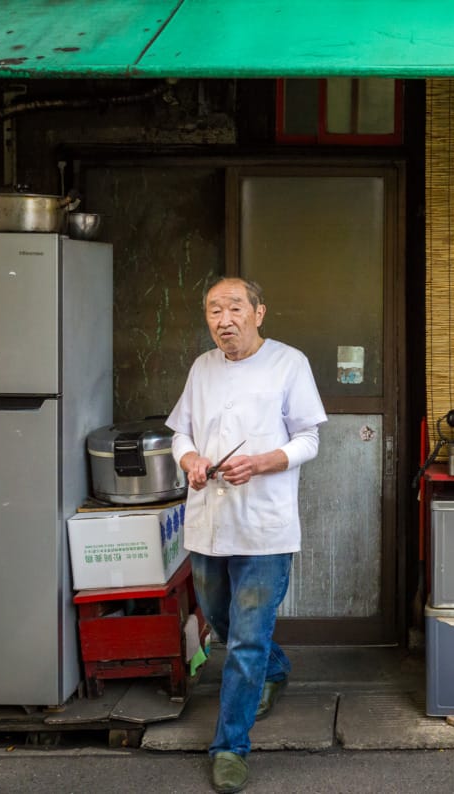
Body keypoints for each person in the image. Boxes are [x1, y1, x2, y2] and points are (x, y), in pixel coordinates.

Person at [167, 276, 327, 794]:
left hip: (264, 526)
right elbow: (181, 432)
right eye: (214, 310)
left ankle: (230, 746)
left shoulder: (289, 362)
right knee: (221, 622)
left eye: (235, 307)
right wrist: (189, 458)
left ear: (259, 312)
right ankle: (274, 668)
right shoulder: (202, 367)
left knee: (245, 639)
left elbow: (309, 439)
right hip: (209, 523)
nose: (224, 319)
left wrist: (263, 462)